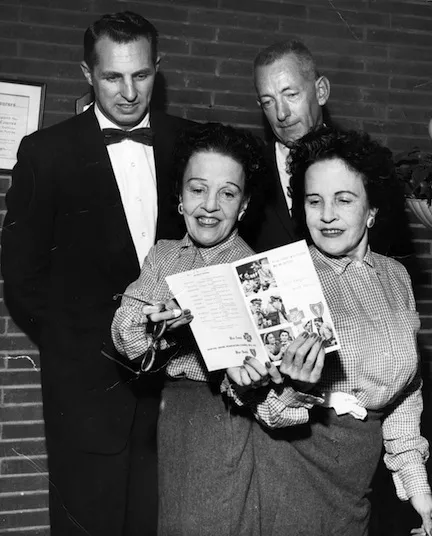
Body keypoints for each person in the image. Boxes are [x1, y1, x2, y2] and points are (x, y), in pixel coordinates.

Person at [1, 11, 192, 536]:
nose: (130, 92)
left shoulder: (192, 145)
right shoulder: (46, 152)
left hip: (178, 383)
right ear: (88, 74)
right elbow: (21, 275)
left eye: (142, 75)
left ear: (159, 68)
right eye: (112, 77)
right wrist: (83, 344)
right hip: (87, 389)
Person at [227, 126, 432, 536]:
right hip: (292, 469)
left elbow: (404, 397)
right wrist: (295, 387)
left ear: (372, 210)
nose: (326, 215)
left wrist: (419, 491)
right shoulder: (280, 278)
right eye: (314, 200)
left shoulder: (396, 278)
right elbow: (261, 407)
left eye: (344, 199)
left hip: (359, 476)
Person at [111, 122, 266, 535]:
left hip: (235, 421)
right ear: (179, 197)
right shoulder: (163, 257)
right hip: (173, 418)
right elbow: (123, 332)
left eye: (227, 193)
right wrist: (152, 322)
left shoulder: (257, 272)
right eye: (197, 189)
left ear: (244, 205)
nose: (210, 205)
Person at [242, 39, 330, 252]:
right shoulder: (246, 170)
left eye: (291, 95)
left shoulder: (362, 163)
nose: (281, 114)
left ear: (321, 91)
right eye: (268, 102)